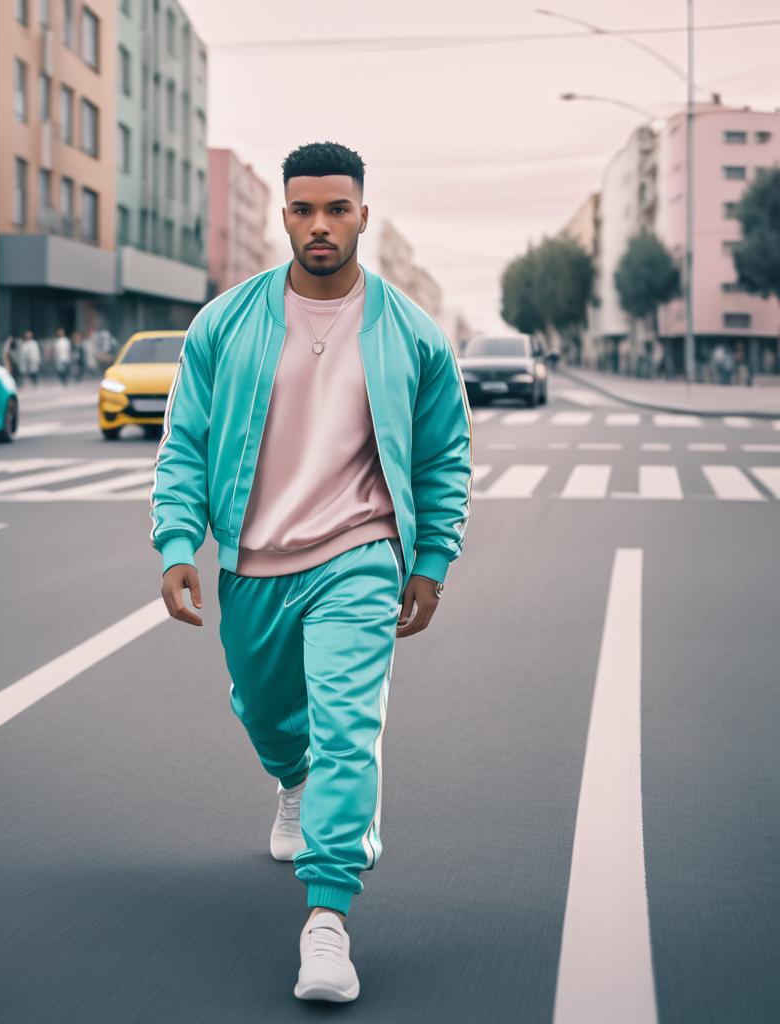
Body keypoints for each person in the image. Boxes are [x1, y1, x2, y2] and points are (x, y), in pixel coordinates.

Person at [148, 142, 473, 1004]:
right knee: (264, 708)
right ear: (285, 216)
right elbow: (184, 442)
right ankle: (288, 782)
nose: (320, 225)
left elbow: (444, 455)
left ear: (364, 213)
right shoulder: (227, 322)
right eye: (303, 210)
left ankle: (327, 919)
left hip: (359, 557)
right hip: (253, 560)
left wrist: (431, 560)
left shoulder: (411, 333)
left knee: (347, 727)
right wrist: (178, 543)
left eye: (337, 209)